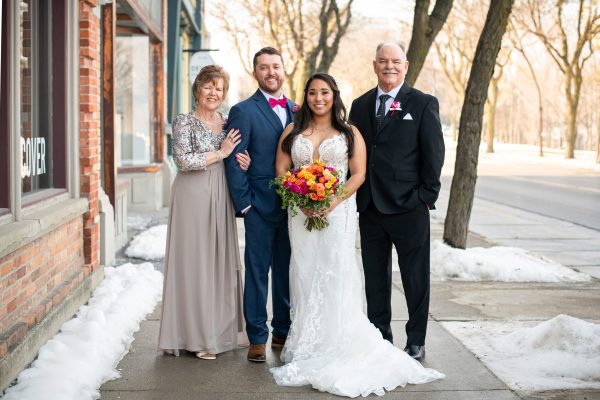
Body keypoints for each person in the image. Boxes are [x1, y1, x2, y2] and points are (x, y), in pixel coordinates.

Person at [269, 72, 444, 397]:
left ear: (334, 96)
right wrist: (298, 196)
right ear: (305, 97)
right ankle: (308, 338)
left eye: (324, 92)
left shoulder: (349, 132)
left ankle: (340, 339)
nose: (318, 98)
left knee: (336, 273)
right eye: (312, 93)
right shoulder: (293, 130)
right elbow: (281, 169)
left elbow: (358, 173)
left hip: (337, 214)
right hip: (300, 214)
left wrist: (329, 202)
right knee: (305, 273)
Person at [349, 42, 445, 361]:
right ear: (374, 65)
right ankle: (380, 335)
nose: (389, 66)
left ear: (406, 65)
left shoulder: (422, 103)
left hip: (409, 207)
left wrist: (425, 197)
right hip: (371, 208)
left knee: (415, 278)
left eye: (395, 61)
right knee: (376, 278)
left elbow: (434, 154)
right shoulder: (360, 105)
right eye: (383, 61)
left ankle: (416, 339)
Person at [158, 65, 251, 360]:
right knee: (195, 263)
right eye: (209, 87)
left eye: (220, 88)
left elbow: (234, 157)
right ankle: (196, 338)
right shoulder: (184, 122)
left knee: (219, 261)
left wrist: (241, 162)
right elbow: (183, 161)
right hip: (192, 194)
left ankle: (219, 332)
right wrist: (221, 154)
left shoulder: (227, 123)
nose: (214, 93)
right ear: (198, 89)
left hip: (221, 192)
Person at [224, 47, 295, 362]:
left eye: (276, 66)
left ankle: (283, 329)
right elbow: (233, 161)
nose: (271, 72)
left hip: (294, 206)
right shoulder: (243, 110)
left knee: (286, 271)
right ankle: (256, 337)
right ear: (256, 72)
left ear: (283, 70)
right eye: (264, 67)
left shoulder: (298, 108)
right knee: (256, 272)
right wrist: (246, 205)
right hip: (259, 206)